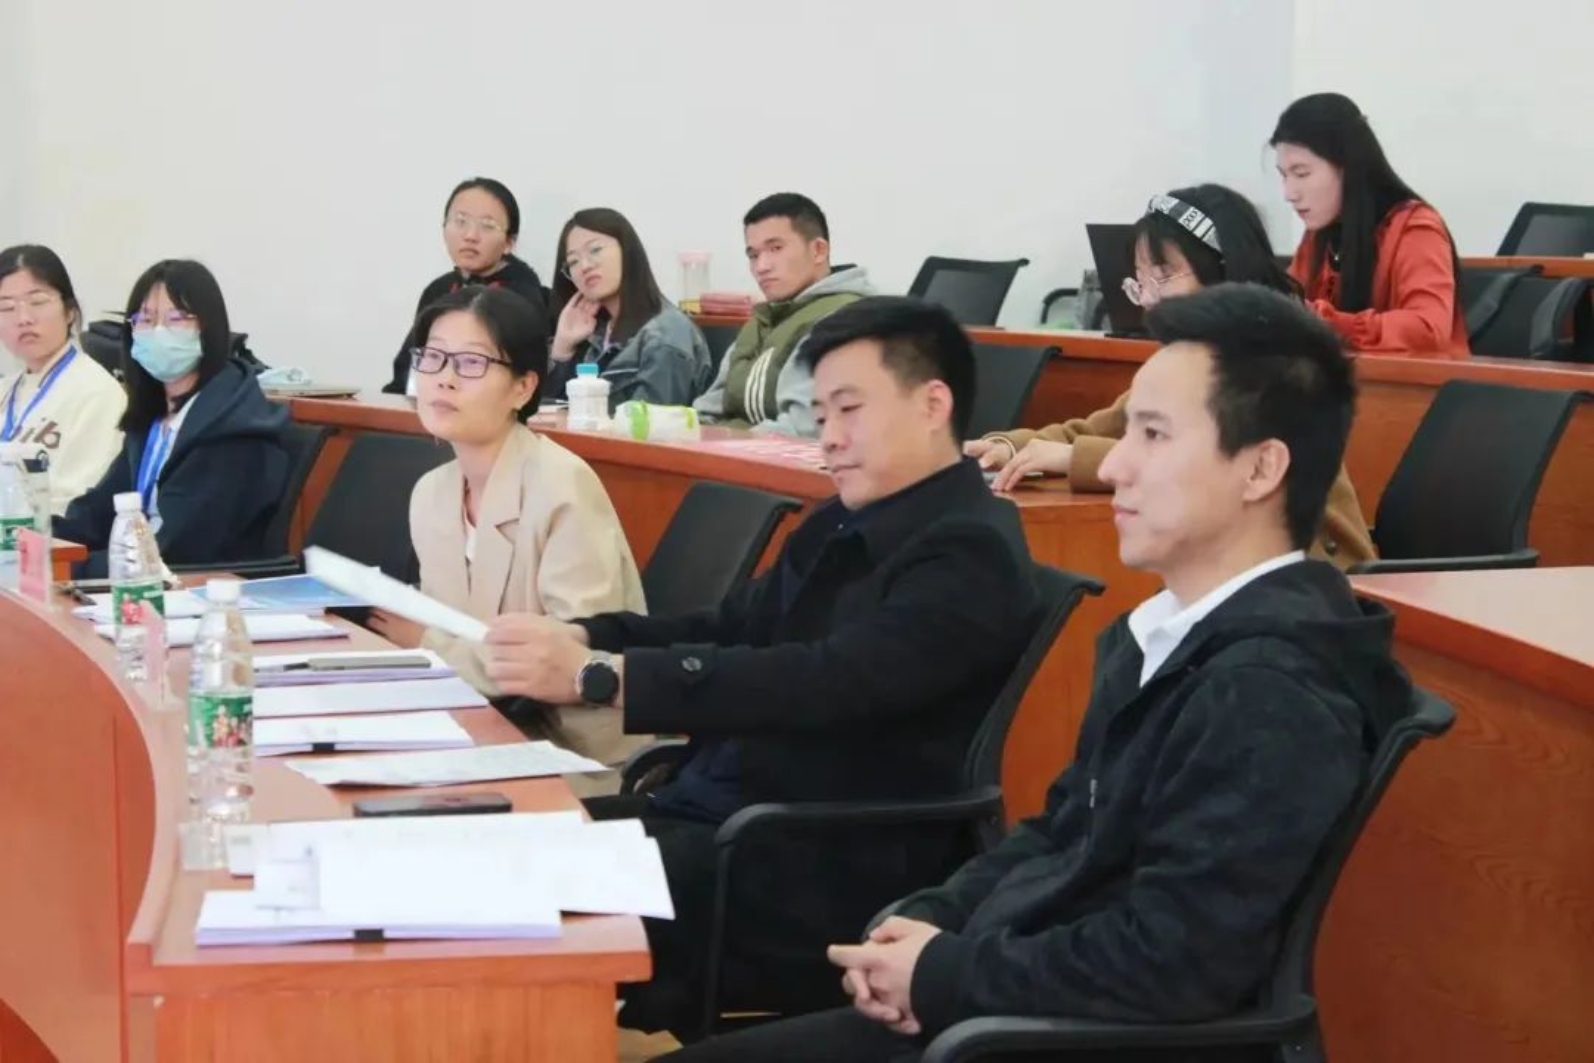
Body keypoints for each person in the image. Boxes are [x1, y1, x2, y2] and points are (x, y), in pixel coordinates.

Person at [657, 283, 1413, 1063]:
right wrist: (935, 916)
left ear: (1260, 469)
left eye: (1153, 434)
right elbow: (1060, 834)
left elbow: (1177, 962)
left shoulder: (1267, 687)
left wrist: (944, 972)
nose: (1113, 464)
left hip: (1071, 1036)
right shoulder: (1162, 636)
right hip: (1011, 1008)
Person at [482, 297, 1039, 1036]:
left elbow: (824, 681)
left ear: (933, 405)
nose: (828, 437)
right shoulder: (844, 517)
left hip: (811, 860)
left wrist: (604, 678)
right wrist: (584, 634)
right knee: (485, 846)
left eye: (849, 410)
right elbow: (727, 627)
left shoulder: (970, 551)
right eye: (820, 413)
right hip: (718, 817)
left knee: (500, 898)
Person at [967, 184, 1375, 569]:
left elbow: (1207, 466)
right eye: (1140, 280)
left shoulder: (1274, 360)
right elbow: (1094, 429)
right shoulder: (1184, 359)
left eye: (1162, 275)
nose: (1147, 298)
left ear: (1223, 272)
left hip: (1316, 571)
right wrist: (1005, 447)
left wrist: (1073, 459)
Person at [368, 286, 647, 777]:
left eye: (471, 363)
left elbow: (575, 657)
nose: (444, 378)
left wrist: (424, 641)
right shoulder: (431, 493)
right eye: (432, 357)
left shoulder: (562, 484)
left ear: (522, 388)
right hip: (473, 730)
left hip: (575, 754)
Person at [56, 260, 288, 577]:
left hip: (197, 588)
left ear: (209, 328)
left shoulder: (232, 428)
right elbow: (97, 513)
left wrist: (67, 568)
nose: (158, 332)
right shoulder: (155, 417)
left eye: (176, 319)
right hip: (140, 576)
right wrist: (34, 542)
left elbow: (174, 549)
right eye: (145, 319)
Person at [1271, 92, 1468, 358]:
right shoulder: (1319, 235)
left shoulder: (1415, 227)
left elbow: (1428, 329)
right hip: (1345, 379)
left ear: (1348, 168)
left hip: (1416, 383)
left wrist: (1324, 321)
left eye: (1301, 174)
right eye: (1284, 176)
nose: (1289, 193)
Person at [693, 193, 875, 435]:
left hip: (783, 457)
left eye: (775, 248)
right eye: (753, 255)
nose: (762, 266)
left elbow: (805, 428)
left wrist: (723, 442)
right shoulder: (763, 319)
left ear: (818, 250)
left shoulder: (848, 320)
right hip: (732, 451)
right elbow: (707, 411)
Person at [383, 178, 549, 394]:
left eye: (487, 226)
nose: (470, 236)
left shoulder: (520, 296)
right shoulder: (438, 289)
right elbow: (409, 368)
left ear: (509, 242)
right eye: (460, 221)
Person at [543, 208, 714, 410]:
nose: (585, 266)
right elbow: (547, 412)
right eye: (573, 261)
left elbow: (649, 423)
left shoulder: (667, 334)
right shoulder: (593, 333)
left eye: (595, 250)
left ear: (627, 250)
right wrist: (562, 349)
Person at [0, 244, 126, 513]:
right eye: (6, 307)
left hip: (55, 535)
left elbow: (80, 499)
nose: (23, 318)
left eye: (37, 302)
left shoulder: (97, 392)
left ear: (69, 311)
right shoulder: (5, 390)